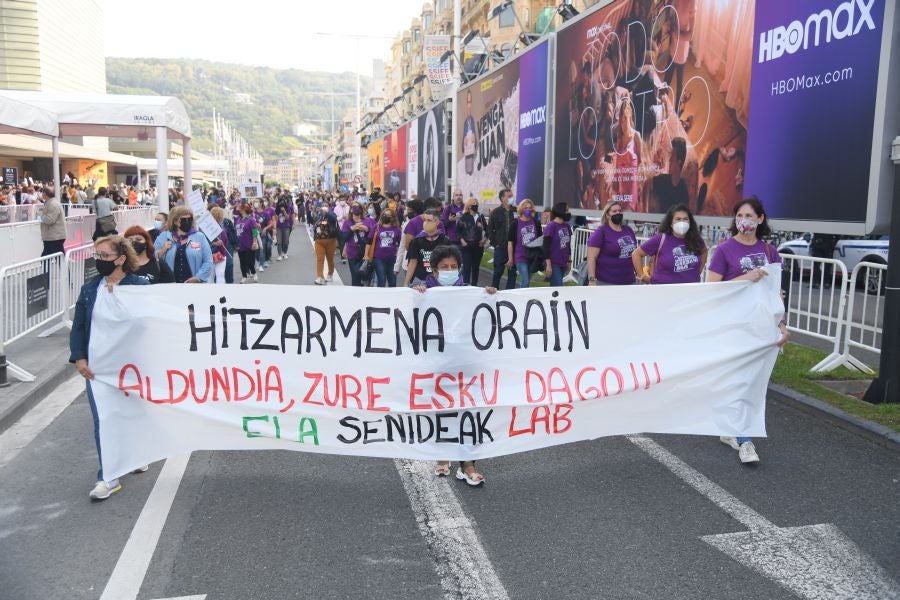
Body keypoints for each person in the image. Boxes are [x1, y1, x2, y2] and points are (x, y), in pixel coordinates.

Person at [706, 197, 790, 464]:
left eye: (750, 216)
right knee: (741, 380)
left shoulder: (769, 251)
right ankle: (744, 440)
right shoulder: (723, 250)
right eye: (740, 215)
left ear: (760, 220)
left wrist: (781, 325)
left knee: (753, 381)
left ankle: (731, 429)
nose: (745, 220)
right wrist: (745, 277)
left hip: (761, 327)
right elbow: (712, 289)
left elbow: (776, 294)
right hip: (733, 326)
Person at [69, 235, 150, 500]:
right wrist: (79, 357)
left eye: (104, 256)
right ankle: (108, 476)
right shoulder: (91, 288)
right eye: (98, 255)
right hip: (99, 369)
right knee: (103, 418)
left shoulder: (140, 286)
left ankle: (134, 455)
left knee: (131, 413)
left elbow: (151, 324)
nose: (99, 260)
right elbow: (80, 324)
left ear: (121, 259)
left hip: (132, 366)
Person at [413, 244, 496, 486]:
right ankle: (442, 456)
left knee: (467, 410)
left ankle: (468, 464)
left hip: (464, 362)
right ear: (435, 271)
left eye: (454, 267)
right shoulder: (422, 290)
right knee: (440, 408)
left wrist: (489, 296)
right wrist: (416, 293)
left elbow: (483, 319)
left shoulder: (470, 292)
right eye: (444, 267)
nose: (450, 271)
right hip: (436, 363)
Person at [632, 204, 707, 284]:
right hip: (664, 291)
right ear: (671, 223)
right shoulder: (661, 239)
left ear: (690, 222)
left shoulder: (695, 239)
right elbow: (636, 254)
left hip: (691, 291)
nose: (682, 222)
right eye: (678, 219)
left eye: (685, 219)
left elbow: (704, 252)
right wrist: (643, 276)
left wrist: (696, 272)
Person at [153, 207, 213, 284]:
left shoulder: (199, 237)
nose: (187, 222)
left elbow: (208, 261)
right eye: (184, 219)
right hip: (170, 286)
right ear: (175, 221)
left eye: (190, 219)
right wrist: (162, 250)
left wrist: (198, 278)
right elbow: (152, 259)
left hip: (194, 286)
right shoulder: (163, 237)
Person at [586, 201, 638, 286]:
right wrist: (591, 280)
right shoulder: (601, 232)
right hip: (606, 282)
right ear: (607, 215)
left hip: (629, 281)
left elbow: (634, 254)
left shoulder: (628, 230)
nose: (618, 213)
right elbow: (591, 257)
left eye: (620, 211)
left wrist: (639, 274)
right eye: (614, 211)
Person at [404, 209, 449, 287]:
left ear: (437, 222)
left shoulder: (445, 241)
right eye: (424, 220)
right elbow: (413, 262)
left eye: (429, 220)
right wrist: (405, 283)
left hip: (439, 280)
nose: (425, 223)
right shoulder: (417, 241)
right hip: (419, 280)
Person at [507, 199, 542, 289]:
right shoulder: (515, 223)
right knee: (525, 280)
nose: (528, 210)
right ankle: (522, 300)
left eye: (530, 208)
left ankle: (523, 297)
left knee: (527, 281)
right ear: (521, 209)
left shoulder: (536, 223)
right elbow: (510, 242)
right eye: (526, 208)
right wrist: (510, 259)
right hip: (520, 256)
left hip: (532, 256)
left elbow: (540, 240)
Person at [649, 137, 689, 213]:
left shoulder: (683, 192)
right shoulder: (662, 180)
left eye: (672, 156)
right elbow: (647, 183)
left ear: (679, 161)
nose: (670, 160)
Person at [488, 189, 517, 289]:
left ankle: (510, 294)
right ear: (502, 198)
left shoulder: (516, 211)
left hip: (514, 247)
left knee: (512, 272)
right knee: (498, 272)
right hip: (501, 247)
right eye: (509, 196)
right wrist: (495, 243)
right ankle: (494, 292)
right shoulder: (495, 212)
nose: (511, 198)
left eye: (512, 196)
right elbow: (490, 230)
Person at [457, 197, 487, 285]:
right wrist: (462, 241)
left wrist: (484, 240)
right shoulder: (463, 217)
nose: (475, 205)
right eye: (473, 203)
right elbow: (458, 231)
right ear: (469, 205)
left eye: (476, 203)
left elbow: (488, 230)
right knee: (466, 267)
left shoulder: (480, 217)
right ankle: (465, 284)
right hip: (467, 246)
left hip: (478, 246)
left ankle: (474, 285)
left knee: (476, 267)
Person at [542, 202, 574, 287]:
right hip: (553, 263)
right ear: (561, 211)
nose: (569, 212)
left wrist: (569, 261)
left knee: (555, 288)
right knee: (558, 286)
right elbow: (546, 247)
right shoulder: (551, 226)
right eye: (567, 210)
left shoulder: (567, 226)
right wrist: (548, 265)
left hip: (563, 262)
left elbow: (568, 245)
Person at [342, 203, 373, 287]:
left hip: (364, 252)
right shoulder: (347, 222)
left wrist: (366, 230)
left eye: (358, 213)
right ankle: (356, 295)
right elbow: (344, 237)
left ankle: (365, 287)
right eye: (355, 214)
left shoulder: (367, 220)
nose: (357, 216)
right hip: (352, 253)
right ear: (351, 211)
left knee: (365, 274)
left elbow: (371, 237)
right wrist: (352, 229)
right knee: (355, 276)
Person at [372, 207, 401, 287]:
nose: (386, 216)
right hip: (378, 257)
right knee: (381, 279)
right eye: (385, 214)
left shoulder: (397, 229)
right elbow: (369, 241)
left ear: (393, 218)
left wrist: (398, 253)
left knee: (392, 280)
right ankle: (381, 298)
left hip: (392, 258)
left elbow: (401, 243)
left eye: (389, 215)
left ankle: (392, 298)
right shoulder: (376, 227)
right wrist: (366, 255)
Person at [313, 204, 339, 285]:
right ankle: (320, 277)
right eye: (322, 206)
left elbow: (334, 219)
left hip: (330, 240)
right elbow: (315, 226)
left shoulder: (332, 215)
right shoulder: (318, 216)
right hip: (319, 241)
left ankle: (330, 274)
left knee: (330, 259)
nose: (323, 207)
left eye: (325, 206)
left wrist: (326, 213)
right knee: (320, 259)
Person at [234, 203, 258, 283]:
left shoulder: (251, 219)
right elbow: (235, 231)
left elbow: (254, 232)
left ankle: (254, 273)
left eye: (240, 208)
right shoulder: (238, 219)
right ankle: (244, 276)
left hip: (249, 244)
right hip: (240, 244)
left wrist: (254, 242)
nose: (238, 209)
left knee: (249, 261)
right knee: (242, 262)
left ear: (244, 209)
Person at [38, 187, 66, 257]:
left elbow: (50, 220)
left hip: (54, 237)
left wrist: (39, 217)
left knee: (46, 259)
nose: (41, 194)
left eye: (42, 193)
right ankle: (64, 268)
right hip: (53, 236)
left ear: (45, 194)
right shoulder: (51, 203)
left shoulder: (53, 204)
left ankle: (64, 268)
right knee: (59, 258)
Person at [208, 206, 231, 284]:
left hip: (213, 254)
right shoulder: (222, 228)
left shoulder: (208, 227)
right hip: (219, 254)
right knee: (219, 275)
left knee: (212, 276)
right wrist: (215, 243)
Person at [275, 193, 295, 260]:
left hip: (286, 227)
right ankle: (279, 255)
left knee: (286, 241)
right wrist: (274, 228)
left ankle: (285, 253)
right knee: (279, 242)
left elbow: (287, 218)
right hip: (279, 227)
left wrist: (284, 211)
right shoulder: (277, 208)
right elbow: (276, 218)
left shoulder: (288, 207)